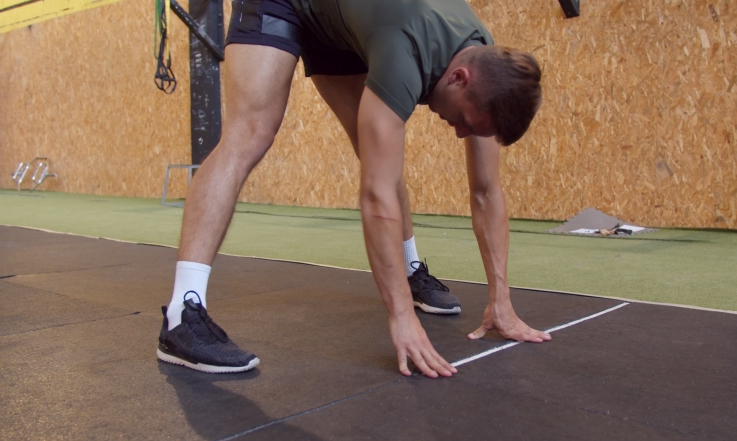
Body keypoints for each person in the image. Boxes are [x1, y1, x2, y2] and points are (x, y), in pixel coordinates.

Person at [156, 0, 551, 377]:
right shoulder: (405, 51)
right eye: (464, 120)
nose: (461, 132)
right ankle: (182, 315)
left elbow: (486, 191)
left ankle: (410, 269)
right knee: (252, 131)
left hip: (344, 19)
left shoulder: (486, 64)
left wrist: (501, 301)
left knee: (378, 150)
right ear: (458, 77)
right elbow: (375, 197)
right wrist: (401, 318)